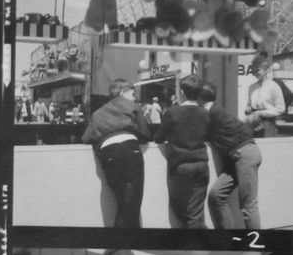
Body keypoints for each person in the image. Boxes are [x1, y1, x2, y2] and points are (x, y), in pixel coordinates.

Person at [82, 78, 152, 228]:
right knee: (132, 205)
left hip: (107, 154)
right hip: (129, 150)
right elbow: (146, 134)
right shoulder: (131, 106)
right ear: (122, 93)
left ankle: (118, 244)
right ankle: (124, 244)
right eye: (133, 94)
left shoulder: (97, 113)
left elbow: (87, 138)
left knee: (122, 201)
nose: (135, 98)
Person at [200, 78, 264, 229]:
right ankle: (227, 241)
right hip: (236, 158)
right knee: (216, 196)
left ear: (200, 97)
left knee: (248, 205)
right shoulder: (213, 111)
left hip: (244, 155)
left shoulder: (212, 111)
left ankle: (255, 247)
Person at [156, 75, 211, 228]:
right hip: (201, 164)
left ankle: (194, 244)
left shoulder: (172, 112)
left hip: (180, 166)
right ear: (199, 92)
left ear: (181, 92)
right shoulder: (205, 113)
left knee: (179, 207)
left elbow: (159, 137)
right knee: (196, 210)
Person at [243, 55, 285, 138]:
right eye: (253, 71)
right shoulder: (252, 87)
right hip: (253, 122)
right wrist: (248, 108)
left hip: (268, 123)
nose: (255, 73)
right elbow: (249, 104)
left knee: (266, 148)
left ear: (266, 70)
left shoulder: (274, 86)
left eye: (258, 70)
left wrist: (261, 113)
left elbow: (281, 109)